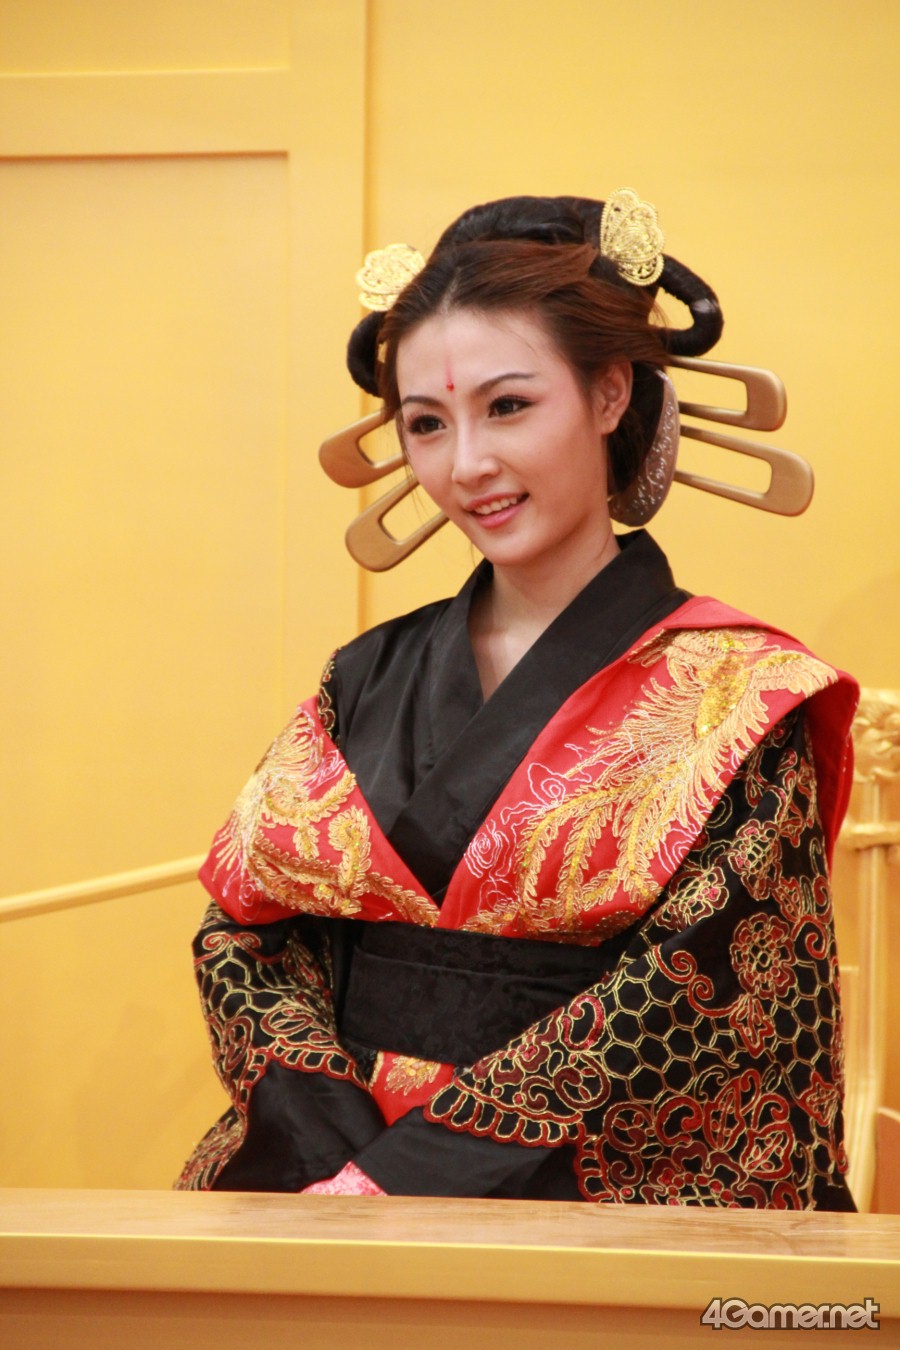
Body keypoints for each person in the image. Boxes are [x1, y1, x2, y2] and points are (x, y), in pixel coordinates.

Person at [178, 191, 858, 1208]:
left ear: (609, 393)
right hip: (328, 1168)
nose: (467, 466)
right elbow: (247, 931)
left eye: (508, 406)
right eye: (426, 424)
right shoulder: (363, 676)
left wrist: (409, 1174)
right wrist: (334, 1157)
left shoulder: (739, 695)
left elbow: (705, 994)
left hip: (587, 1196)